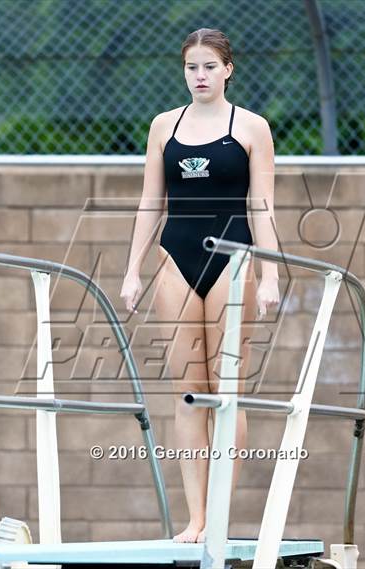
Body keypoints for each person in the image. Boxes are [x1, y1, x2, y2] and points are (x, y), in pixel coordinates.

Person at [120, 28, 279, 543]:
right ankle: (196, 519)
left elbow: (262, 206)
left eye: (210, 66)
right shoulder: (164, 127)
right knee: (188, 394)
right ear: (184, 71)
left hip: (233, 264)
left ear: (228, 69)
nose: (201, 76)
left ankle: (219, 514)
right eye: (192, 67)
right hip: (177, 261)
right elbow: (150, 202)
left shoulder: (251, 128)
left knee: (226, 391)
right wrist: (132, 270)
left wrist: (271, 274)